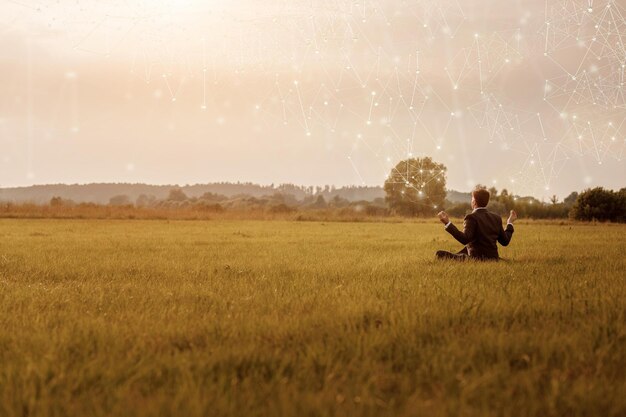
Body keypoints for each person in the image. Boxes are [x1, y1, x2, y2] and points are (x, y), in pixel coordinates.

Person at [435, 187, 517, 261]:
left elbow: (465, 239)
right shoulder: (496, 218)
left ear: (474, 202)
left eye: (472, 199)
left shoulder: (471, 217)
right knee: (465, 249)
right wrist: (510, 223)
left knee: (439, 254)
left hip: (476, 259)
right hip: (493, 258)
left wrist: (447, 223)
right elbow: (505, 241)